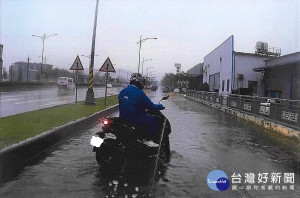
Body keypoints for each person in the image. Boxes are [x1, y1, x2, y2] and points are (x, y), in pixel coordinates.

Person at [118, 73, 164, 147]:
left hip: (122, 119)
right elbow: (151, 106)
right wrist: (160, 106)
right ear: (140, 82)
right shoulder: (139, 93)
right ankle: (147, 140)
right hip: (135, 119)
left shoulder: (122, 91)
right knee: (153, 120)